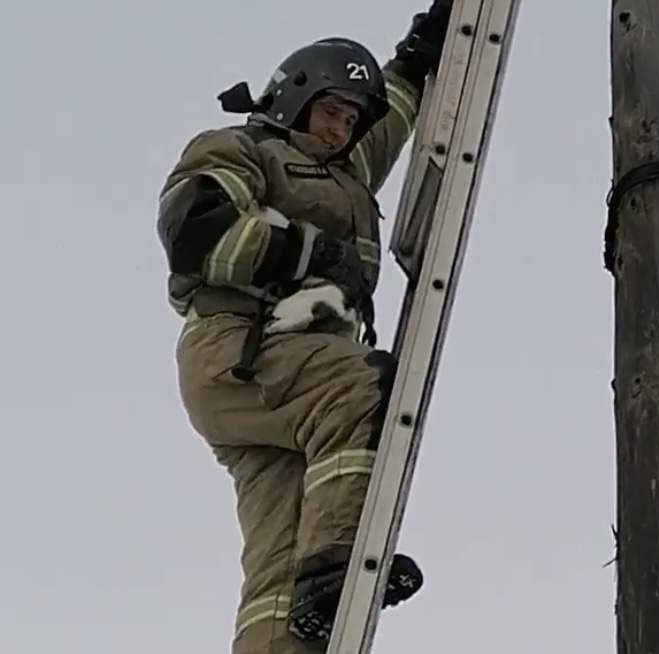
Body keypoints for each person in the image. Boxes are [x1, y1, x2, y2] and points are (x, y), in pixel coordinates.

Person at [155, 2, 453, 652]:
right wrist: (312, 252)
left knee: (279, 558)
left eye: (350, 120)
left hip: (277, 388)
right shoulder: (244, 149)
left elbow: (395, 117)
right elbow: (195, 232)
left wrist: (422, 50)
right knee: (359, 389)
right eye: (330, 111)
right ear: (296, 98)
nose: (340, 131)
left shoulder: (345, 174)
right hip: (239, 349)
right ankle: (337, 564)